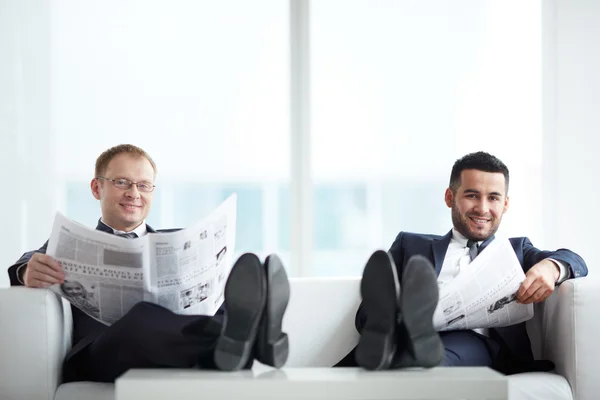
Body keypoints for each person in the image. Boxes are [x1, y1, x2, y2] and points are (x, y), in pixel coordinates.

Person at [7, 144, 291, 382]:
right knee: (141, 318)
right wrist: (26, 270)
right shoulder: (75, 242)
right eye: (121, 182)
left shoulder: (177, 242)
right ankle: (254, 340)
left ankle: (230, 345)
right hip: (101, 353)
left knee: (229, 295)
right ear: (97, 188)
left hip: (171, 343)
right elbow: (28, 260)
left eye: (143, 185)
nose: (134, 193)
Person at [349, 151, 587, 374]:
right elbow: (366, 315)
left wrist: (552, 267)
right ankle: (399, 338)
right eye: (472, 195)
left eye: (493, 198)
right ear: (449, 197)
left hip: (475, 345)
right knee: (390, 323)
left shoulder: (517, 251)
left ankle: (401, 354)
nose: (482, 209)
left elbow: (575, 260)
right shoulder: (410, 245)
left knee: (450, 350)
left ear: (505, 204)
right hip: (401, 334)